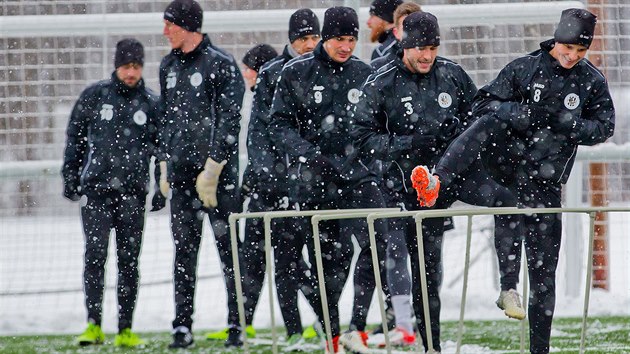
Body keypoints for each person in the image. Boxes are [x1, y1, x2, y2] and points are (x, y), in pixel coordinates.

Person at [411, 8, 614, 354]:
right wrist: (519, 113)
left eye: (581, 51)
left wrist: (568, 124)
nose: (573, 56)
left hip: (546, 185)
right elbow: (482, 104)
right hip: (506, 172)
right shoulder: (525, 68)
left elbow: (604, 127)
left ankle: (539, 348)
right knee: (486, 127)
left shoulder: (591, 81)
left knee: (544, 276)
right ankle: (438, 181)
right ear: (557, 39)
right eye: (568, 48)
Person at [353, 12, 522, 353]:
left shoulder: (453, 74)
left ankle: (507, 287)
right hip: (406, 188)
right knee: (422, 272)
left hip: (451, 178)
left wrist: (461, 132)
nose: (427, 55)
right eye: (419, 48)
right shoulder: (381, 81)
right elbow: (360, 141)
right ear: (403, 44)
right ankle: (422, 341)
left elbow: (478, 119)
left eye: (432, 47)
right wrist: (410, 143)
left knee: (507, 199)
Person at [268, 7, 390, 354]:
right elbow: (278, 124)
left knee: (378, 241)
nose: (346, 46)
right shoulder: (296, 73)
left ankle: (357, 328)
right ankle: (333, 336)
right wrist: (309, 154)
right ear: (325, 37)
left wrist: (370, 153)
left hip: (358, 177)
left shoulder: (365, 73)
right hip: (316, 182)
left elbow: (379, 122)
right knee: (328, 265)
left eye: (352, 40)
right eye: (340, 39)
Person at [158, 0, 246, 348]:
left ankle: (238, 323)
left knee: (229, 252)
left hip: (217, 179)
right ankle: (182, 325)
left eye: (169, 25)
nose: (164, 32)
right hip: (181, 178)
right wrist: (163, 163)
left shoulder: (221, 65)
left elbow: (230, 119)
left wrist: (213, 167)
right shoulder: (167, 65)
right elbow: (165, 119)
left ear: (187, 26)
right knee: (184, 252)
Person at [238, 8, 326, 352]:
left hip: (312, 188)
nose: (309, 44)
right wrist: (270, 181)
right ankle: (281, 327)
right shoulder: (272, 76)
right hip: (274, 190)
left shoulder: (324, 71)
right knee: (274, 262)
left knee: (302, 263)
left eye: (313, 37)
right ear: (291, 40)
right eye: (303, 38)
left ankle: (322, 323)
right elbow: (260, 135)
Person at [62, 38, 159, 348]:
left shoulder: (150, 102)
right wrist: (71, 176)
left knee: (129, 261)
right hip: (98, 193)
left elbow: (162, 149)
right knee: (95, 256)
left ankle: (125, 329)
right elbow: (75, 137)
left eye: (136, 66)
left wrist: (160, 186)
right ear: (117, 66)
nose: (131, 73)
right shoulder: (95, 96)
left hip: (133, 194)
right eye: (126, 66)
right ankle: (93, 325)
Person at [371, 1, 421, 70]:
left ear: (385, 18)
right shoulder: (425, 49)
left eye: (372, 16)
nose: (368, 22)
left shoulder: (382, 51)